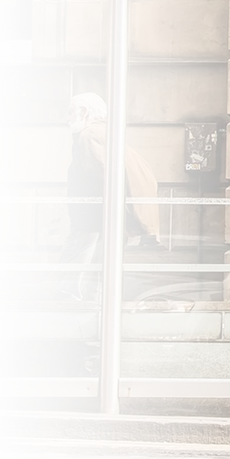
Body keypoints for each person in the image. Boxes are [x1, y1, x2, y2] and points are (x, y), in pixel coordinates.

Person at [55, 92, 161, 303]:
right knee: (100, 278)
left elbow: (104, 176)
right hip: (109, 219)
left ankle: (66, 319)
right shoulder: (108, 134)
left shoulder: (89, 135)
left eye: (70, 112)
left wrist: (100, 212)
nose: (67, 119)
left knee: (72, 279)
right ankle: (95, 315)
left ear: (84, 112)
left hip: (93, 220)